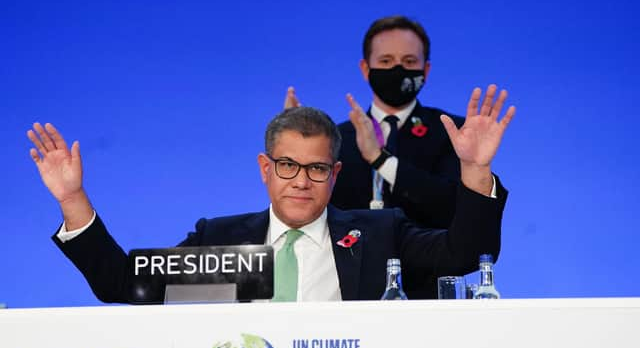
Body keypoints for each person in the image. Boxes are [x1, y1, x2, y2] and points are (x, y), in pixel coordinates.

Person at [28, 87, 514, 302]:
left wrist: (475, 167)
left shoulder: (379, 232)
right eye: (287, 165)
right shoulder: (220, 240)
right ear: (265, 169)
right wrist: (73, 199)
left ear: (335, 173)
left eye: (317, 168)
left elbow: (464, 254)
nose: (301, 179)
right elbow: (122, 284)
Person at [285, 15, 464, 229]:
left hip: (428, 259)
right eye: (386, 61)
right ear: (365, 69)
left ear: (425, 70)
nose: (397, 70)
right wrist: (296, 150)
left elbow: (454, 205)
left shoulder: (451, 130)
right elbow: (309, 213)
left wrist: (380, 160)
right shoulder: (336, 139)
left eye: (409, 61)